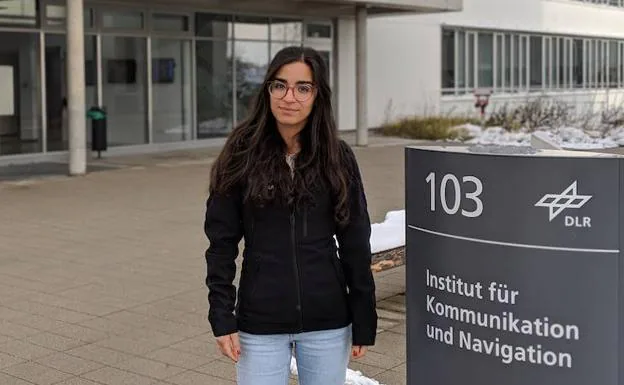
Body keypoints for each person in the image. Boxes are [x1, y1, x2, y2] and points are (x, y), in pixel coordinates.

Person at [203, 46, 377, 385]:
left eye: (303, 87)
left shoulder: (337, 157)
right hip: (260, 322)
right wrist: (222, 316)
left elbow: (356, 241)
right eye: (279, 85)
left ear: (317, 96)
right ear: (267, 90)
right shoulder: (241, 153)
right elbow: (220, 244)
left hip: (327, 321)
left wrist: (364, 319)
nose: (289, 97)